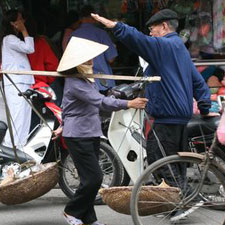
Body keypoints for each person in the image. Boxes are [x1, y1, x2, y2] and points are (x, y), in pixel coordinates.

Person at [91, 10, 213, 189]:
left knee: (159, 158)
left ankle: (183, 198)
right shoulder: (179, 47)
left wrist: (116, 26)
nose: (150, 33)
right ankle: (179, 199)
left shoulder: (163, 46)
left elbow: (139, 40)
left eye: (152, 28)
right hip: (180, 115)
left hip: (167, 114)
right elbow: (198, 81)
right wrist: (204, 107)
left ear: (164, 26)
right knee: (174, 160)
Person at [53, 37, 147, 225]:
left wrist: (63, 124)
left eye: (91, 59)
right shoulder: (75, 82)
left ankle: (88, 218)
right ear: (77, 63)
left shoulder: (85, 80)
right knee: (93, 178)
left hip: (90, 132)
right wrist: (128, 104)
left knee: (92, 177)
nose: (91, 62)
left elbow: (70, 108)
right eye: (87, 60)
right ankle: (72, 211)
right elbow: (100, 102)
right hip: (78, 135)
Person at [0, 10, 35, 148]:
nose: (23, 21)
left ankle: (19, 148)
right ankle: (10, 148)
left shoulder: (10, 39)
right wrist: (24, 30)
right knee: (18, 118)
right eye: (20, 19)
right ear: (13, 23)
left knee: (24, 118)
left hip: (22, 82)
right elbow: (30, 48)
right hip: (16, 83)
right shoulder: (9, 39)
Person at [70, 6, 118, 92]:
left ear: (80, 19)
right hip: (102, 82)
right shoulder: (101, 33)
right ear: (93, 18)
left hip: (81, 83)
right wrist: (114, 47)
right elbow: (111, 59)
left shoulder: (74, 35)